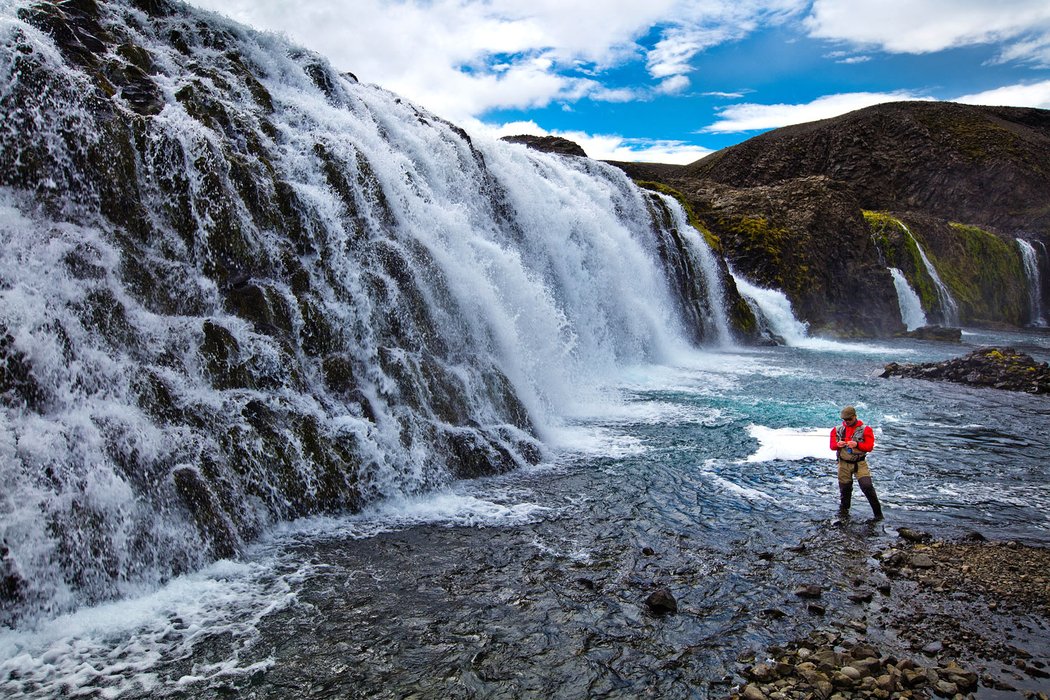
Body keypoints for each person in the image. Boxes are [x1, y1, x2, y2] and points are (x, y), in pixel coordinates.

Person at [830, 405, 883, 520]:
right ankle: (844, 515)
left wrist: (857, 444)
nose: (847, 422)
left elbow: (869, 447)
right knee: (845, 490)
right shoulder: (837, 429)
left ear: (855, 416)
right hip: (843, 464)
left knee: (867, 486)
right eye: (845, 420)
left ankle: (878, 515)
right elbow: (832, 446)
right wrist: (837, 445)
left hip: (859, 463)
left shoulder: (866, 429)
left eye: (849, 419)